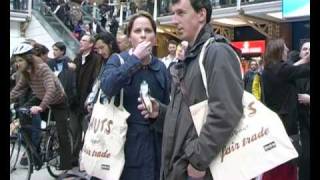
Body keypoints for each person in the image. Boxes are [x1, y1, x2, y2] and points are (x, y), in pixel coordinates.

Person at [137, 0, 244, 179]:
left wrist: (198, 159)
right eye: (173, 13)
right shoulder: (191, 58)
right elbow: (188, 117)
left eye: (181, 13)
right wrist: (161, 113)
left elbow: (226, 113)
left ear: (201, 14)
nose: (174, 20)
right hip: (180, 168)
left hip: (199, 171)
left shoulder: (217, 52)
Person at [99, 11, 170, 180]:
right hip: (123, 149)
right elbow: (107, 87)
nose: (143, 35)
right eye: (137, 31)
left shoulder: (161, 68)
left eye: (148, 30)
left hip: (155, 150)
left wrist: (158, 111)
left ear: (154, 37)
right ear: (130, 37)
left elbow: (171, 109)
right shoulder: (118, 60)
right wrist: (135, 59)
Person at [10, 43, 72, 170]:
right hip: (40, 96)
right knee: (23, 113)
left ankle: (66, 166)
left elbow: (51, 89)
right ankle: (34, 151)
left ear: (28, 59)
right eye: (16, 61)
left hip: (58, 100)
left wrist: (41, 107)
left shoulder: (42, 68)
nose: (18, 64)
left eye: (20, 60)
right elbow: (18, 89)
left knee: (62, 133)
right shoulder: (26, 71)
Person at [261, 39, 309, 180]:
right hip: (286, 126)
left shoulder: (270, 69)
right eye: (285, 49)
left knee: (275, 162)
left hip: (275, 122)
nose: (288, 51)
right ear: (279, 51)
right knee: (286, 164)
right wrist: (307, 60)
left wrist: (303, 59)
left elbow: (291, 69)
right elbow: (300, 70)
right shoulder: (281, 70)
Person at [71, 34, 103, 167]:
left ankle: (88, 159)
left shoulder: (96, 59)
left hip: (87, 103)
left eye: (84, 40)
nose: (81, 42)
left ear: (91, 44)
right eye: (81, 40)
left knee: (89, 133)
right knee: (74, 132)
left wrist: (90, 100)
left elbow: (96, 80)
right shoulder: (77, 58)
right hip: (74, 102)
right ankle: (73, 159)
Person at [84, 31, 120, 127]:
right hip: (98, 109)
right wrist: (91, 101)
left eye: (102, 47)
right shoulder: (101, 62)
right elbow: (97, 83)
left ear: (111, 44)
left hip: (112, 110)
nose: (100, 52)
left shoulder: (118, 60)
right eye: (97, 49)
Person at [47, 42, 77, 109]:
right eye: (53, 50)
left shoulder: (70, 63)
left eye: (56, 50)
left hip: (66, 95)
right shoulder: (49, 63)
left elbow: (72, 81)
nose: (54, 52)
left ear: (62, 51)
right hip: (53, 94)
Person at [296, 41, 310, 180]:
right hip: (301, 126)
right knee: (305, 161)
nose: (307, 52)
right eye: (305, 49)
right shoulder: (294, 72)